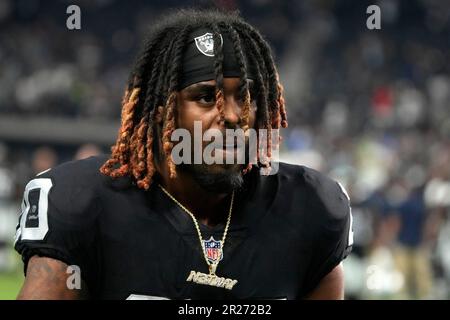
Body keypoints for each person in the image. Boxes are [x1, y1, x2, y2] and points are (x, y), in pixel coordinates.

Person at [14, 9, 352, 300]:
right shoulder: (83, 203)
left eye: (245, 97)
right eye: (206, 97)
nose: (232, 116)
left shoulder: (310, 209)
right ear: (162, 111)